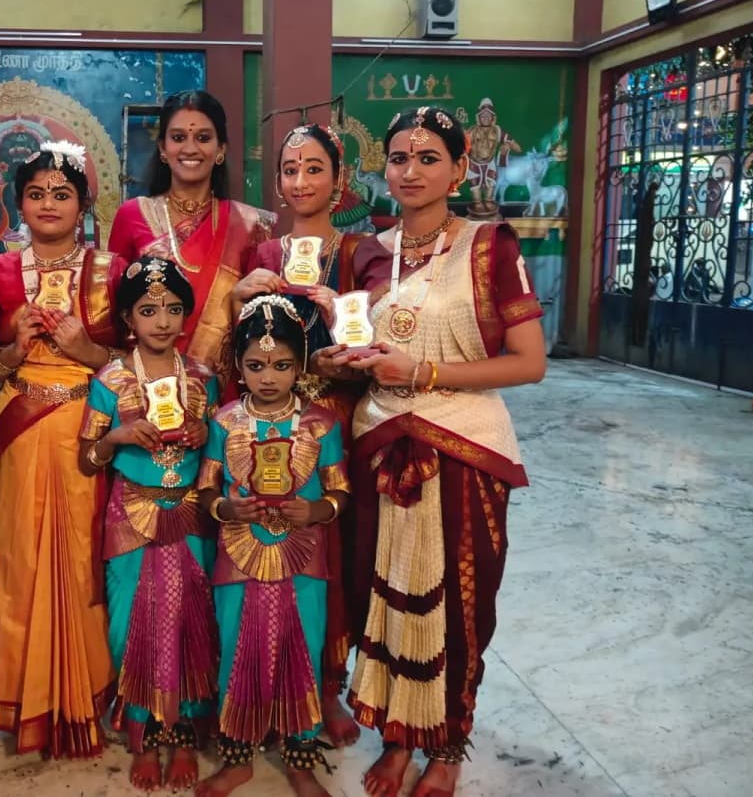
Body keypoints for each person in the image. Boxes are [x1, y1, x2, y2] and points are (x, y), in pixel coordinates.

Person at [315, 107, 546, 797]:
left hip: (464, 444)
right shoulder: (366, 252)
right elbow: (371, 352)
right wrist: (340, 360)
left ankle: (446, 744)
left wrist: (426, 374)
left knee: (457, 605)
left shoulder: (489, 245)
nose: (410, 171)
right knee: (385, 594)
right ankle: (397, 736)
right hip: (382, 440)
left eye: (426, 157)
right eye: (398, 157)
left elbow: (529, 362)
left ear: (458, 165)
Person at [0, 141, 126, 759]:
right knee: (20, 564)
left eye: (62, 193)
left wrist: (89, 353)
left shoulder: (113, 271)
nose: (49, 204)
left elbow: (148, 358)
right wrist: (11, 349)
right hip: (22, 431)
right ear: (18, 205)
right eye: (36, 194)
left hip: (92, 432)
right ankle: (28, 706)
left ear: (84, 204)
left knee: (89, 560)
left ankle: (91, 699)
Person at [231, 123, 368, 746]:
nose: (301, 182)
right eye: (290, 169)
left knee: (327, 555)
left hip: (334, 418)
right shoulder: (261, 255)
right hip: (267, 419)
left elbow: (375, 344)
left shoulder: (362, 252)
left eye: (315, 169)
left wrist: (343, 322)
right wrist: (240, 299)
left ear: (339, 179)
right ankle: (262, 676)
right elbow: (242, 347)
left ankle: (327, 685)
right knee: (265, 539)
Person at [195, 295, 351, 797]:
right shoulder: (223, 423)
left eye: (282, 366)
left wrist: (317, 511)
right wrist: (225, 509)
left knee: (300, 648)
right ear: (238, 366)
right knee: (235, 647)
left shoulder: (321, 424)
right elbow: (205, 490)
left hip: (303, 556)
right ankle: (237, 758)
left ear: (300, 365)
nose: (268, 377)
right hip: (238, 553)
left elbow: (340, 491)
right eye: (256, 365)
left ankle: (300, 758)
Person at [77, 256, 219, 792]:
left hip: (188, 513)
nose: (162, 321)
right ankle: (144, 728)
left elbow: (221, 454)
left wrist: (207, 437)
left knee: (189, 617)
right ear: (127, 318)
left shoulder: (204, 379)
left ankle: (181, 730)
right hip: (130, 514)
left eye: (173, 309)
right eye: (148, 310)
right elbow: (87, 458)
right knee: (131, 621)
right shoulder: (110, 380)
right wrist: (116, 437)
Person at [108, 90, 273, 387]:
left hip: (223, 392)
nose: (190, 148)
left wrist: (234, 301)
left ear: (221, 149)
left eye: (204, 138)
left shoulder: (252, 226)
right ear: (162, 148)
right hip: (147, 387)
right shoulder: (133, 215)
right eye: (179, 137)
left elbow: (262, 325)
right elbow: (114, 317)